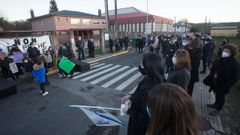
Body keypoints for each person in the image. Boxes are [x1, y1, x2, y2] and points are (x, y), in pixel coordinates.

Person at [121, 53, 165, 135]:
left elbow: (146, 118)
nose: (140, 65)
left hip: (139, 129)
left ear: (149, 67)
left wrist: (129, 111)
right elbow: (140, 95)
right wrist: (132, 96)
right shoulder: (150, 78)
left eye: (142, 63)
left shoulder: (151, 89)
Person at [207, 44, 239, 116]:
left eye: (227, 51)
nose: (224, 52)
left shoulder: (234, 64)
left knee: (221, 96)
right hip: (216, 82)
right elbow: (216, 66)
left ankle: (218, 110)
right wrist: (213, 70)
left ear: (232, 53)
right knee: (216, 94)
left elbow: (235, 78)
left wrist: (227, 86)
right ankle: (215, 103)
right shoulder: (221, 59)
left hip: (224, 84)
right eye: (224, 50)